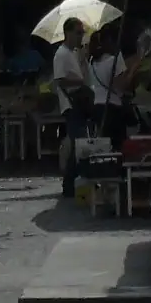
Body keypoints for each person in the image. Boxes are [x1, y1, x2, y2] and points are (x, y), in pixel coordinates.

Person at [52, 18, 96, 202]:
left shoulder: (74, 53)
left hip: (80, 102)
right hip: (71, 104)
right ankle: (69, 184)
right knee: (77, 143)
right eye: (78, 33)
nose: (81, 36)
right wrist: (79, 82)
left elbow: (84, 76)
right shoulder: (61, 54)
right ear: (68, 33)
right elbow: (60, 80)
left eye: (82, 33)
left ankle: (74, 182)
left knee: (79, 142)